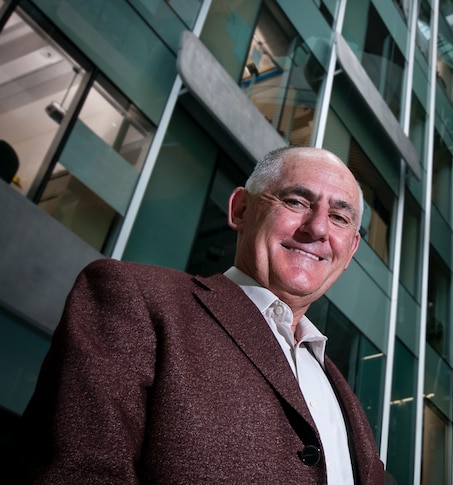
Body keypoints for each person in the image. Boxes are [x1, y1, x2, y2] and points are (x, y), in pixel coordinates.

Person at [13, 146, 384, 484]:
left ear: (350, 249)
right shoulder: (134, 298)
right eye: (296, 201)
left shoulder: (345, 397)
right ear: (240, 209)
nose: (318, 228)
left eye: (338, 217)